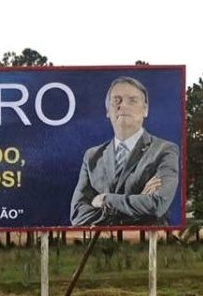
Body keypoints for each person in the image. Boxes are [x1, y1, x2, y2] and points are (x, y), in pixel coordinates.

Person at [70, 76, 180, 226]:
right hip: (101, 246)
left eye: (133, 100)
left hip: (145, 245)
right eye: (116, 100)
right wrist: (137, 204)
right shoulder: (92, 157)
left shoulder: (165, 151)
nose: (123, 105)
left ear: (145, 110)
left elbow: (156, 205)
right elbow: (77, 215)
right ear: (108, 110)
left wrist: (104, 200)